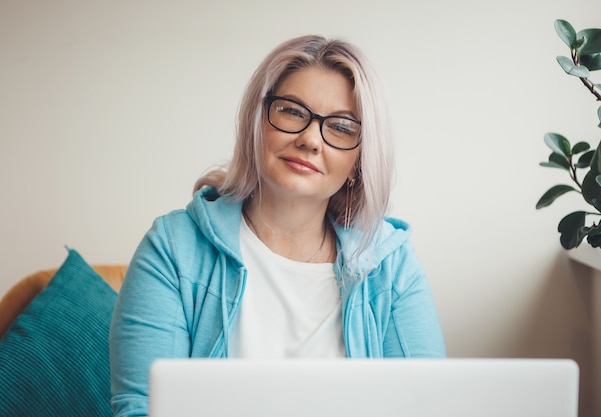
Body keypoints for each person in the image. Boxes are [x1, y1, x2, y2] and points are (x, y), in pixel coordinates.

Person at [109, 35, 446, 417]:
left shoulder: (391, 264)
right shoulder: (173, 247)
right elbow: (143, 409)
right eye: (291, 111)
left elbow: (426, 408)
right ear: (258, 122)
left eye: (340, 127)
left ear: (361, 159)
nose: (309, 139)